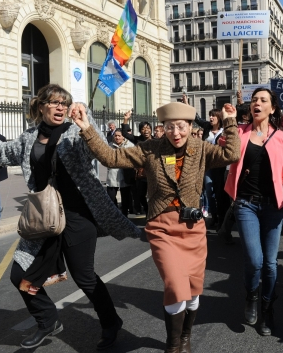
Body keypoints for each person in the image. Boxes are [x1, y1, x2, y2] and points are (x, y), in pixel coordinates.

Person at [0, 84, 141, 350]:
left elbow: (95, 151)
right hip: (43, 217)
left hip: (78, 216)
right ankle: (47, 321)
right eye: (54, 102)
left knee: (84, 276)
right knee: (20, 274)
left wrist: (87, 125)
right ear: (41, 106)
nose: (60, 107)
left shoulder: (74, 132)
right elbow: (2, 152)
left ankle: (111, 322)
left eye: (64, 104)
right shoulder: (29, 137)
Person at [71, 100, 240, 353]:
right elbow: (110, 157)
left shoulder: (201, 148)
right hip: (162, 227)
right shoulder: (149, 149)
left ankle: (184, 338)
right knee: (174, 283)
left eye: (181, 127)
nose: (176, 133)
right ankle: (173, 345)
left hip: (193, 229)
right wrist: (87, 128)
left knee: (193, 290)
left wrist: (230, 122)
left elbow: (232, 154)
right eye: (170, 127)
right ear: (163, 127)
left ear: (190, 126)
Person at [224, 88, 283, 336]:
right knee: (255, 261)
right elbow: (223, 145)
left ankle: (267, 310)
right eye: (254, 100)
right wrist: (228, 121)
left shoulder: (282, 138)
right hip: (246, 204)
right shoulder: (239, 132)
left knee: (270, 265)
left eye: (263, 100)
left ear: (272, 108)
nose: (257, 103)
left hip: (273, 206)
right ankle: (250, 295)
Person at [121, 111, 152, 216]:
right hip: (142, 173)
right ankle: (147, 210)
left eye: (147, 128)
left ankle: (154, 212)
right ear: (140, 131)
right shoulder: (138, 140)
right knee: (140, 195)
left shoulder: (157, 141)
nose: (146, 130)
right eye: (143, 129)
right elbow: (124, 133)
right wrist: (126, 119)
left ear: (151, 130)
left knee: (154, 195)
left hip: (154, 173)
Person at [106, 129, 135, 216]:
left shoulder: (129, 145)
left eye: (119, 136)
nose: (117, 137)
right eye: (116, 136)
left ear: (123, 137)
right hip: (112, 174)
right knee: (110, 197)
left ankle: (125, 215)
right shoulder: (110, 146)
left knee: (125, 198)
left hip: (125, 175)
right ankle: (115, 214)